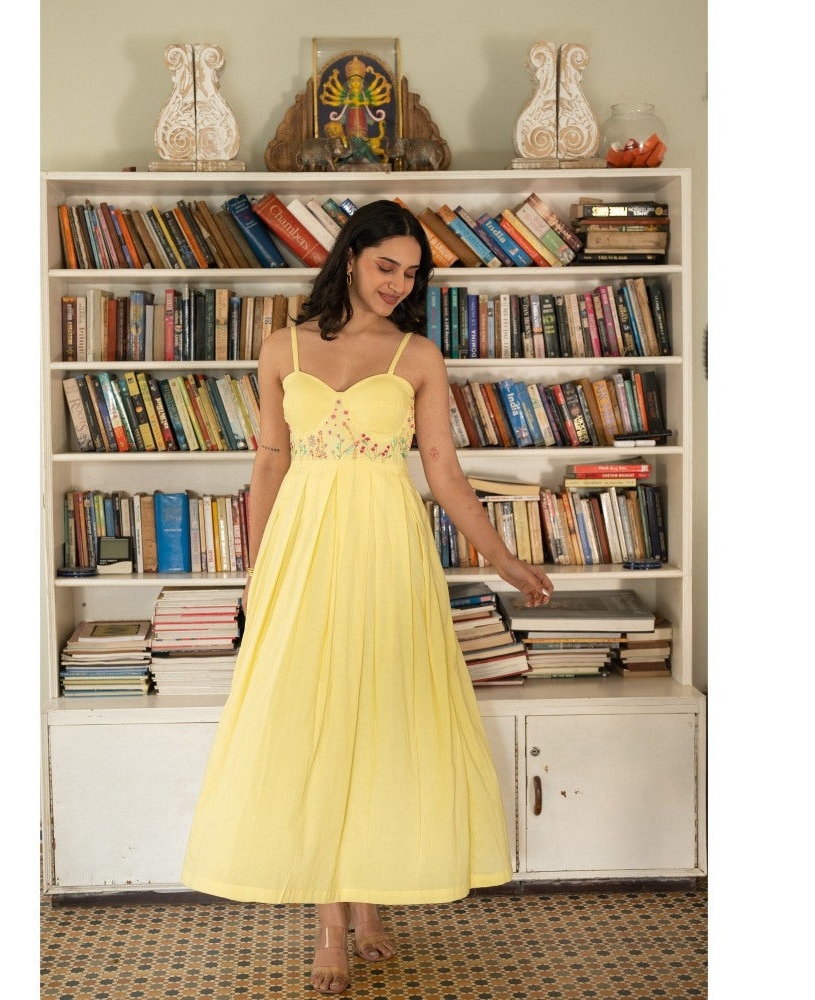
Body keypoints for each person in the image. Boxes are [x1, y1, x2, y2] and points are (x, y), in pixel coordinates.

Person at [181, 199, 553, 994]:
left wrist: (504, 559)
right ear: (350, 257)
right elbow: (270, 463)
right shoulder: (280, 347)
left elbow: (444, 472)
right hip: (302, 554)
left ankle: (373, 900)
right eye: (387, 265)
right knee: (313, 722)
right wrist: (258, 573)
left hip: (387, 549)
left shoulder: (417, 355)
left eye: (411, 273)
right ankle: (330, 924)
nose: (398, 283)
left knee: (381, 717)